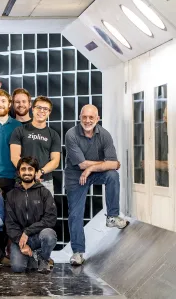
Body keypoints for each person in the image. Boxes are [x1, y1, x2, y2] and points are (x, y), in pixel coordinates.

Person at [65, 105, 129, 266]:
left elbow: (113, 166)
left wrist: (93, 168)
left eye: (91, 117)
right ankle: (78, 253)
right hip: (76, 177)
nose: (87, 120)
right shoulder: (71, 134)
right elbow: (82, 164)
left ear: (97, 118)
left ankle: (112, 217)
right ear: (80, 117)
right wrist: (105, 164)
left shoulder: (104, 135)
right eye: (84, 117)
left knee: (112, 175)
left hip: (95, 172)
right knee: (75, 214)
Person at [6, 156, 57, 274]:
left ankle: (43, 258)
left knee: (49, 235)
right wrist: (21, 240)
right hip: (19, 239)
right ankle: (32, 257)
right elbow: (10, 223)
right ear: (19, 172)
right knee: (17, 268)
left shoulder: (44, 192)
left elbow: (50, 218)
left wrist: (27, 231)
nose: (27, 172)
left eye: (30, 169)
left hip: (37, 236)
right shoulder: (11, 195)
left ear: (35, 172)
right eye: (23, 169)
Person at [10, 96, 61, 196]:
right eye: (39, 107)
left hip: (45, 182)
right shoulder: (19, 131)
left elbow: (55, 161)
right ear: (32, 109)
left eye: (45, 109)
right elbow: (14, 157)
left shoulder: (53, 135)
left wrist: (40, 172)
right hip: (22, 181)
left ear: (49, 112)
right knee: (21, 211)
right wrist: (27, 173)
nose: (42, 111)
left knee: (47, 211)